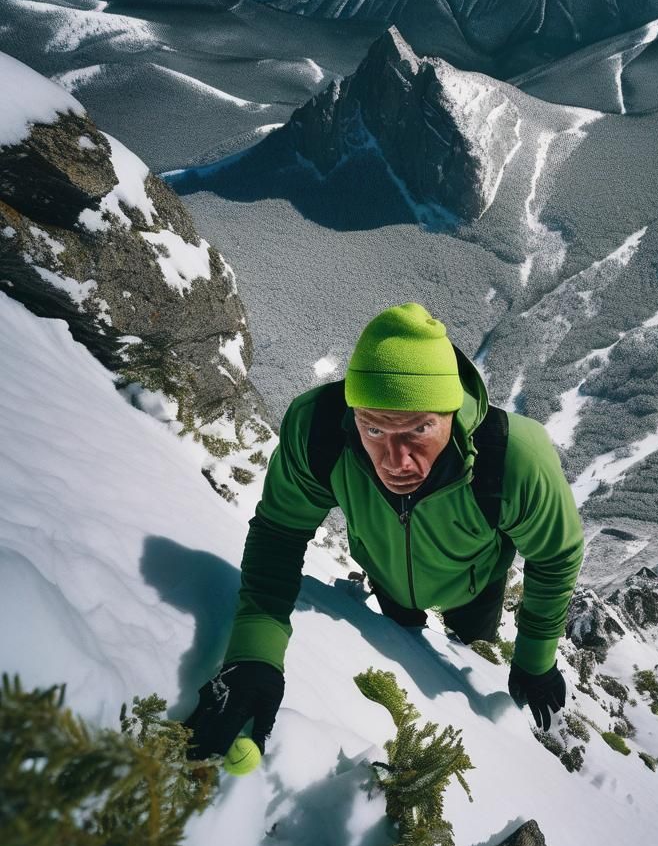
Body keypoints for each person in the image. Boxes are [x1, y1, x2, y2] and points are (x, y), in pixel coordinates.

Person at [185, 303, 585, 761]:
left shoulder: (512, 456)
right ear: (352, 412)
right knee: (400, 631)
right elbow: (280, 534)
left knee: (473, 644)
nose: (396, 461)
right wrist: (255, 651)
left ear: (452, 411)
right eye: (373, 429)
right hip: (385, 572)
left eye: (420, 428)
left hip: (475, 588)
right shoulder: (318, 432)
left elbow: (555, 556)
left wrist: (535, 660)